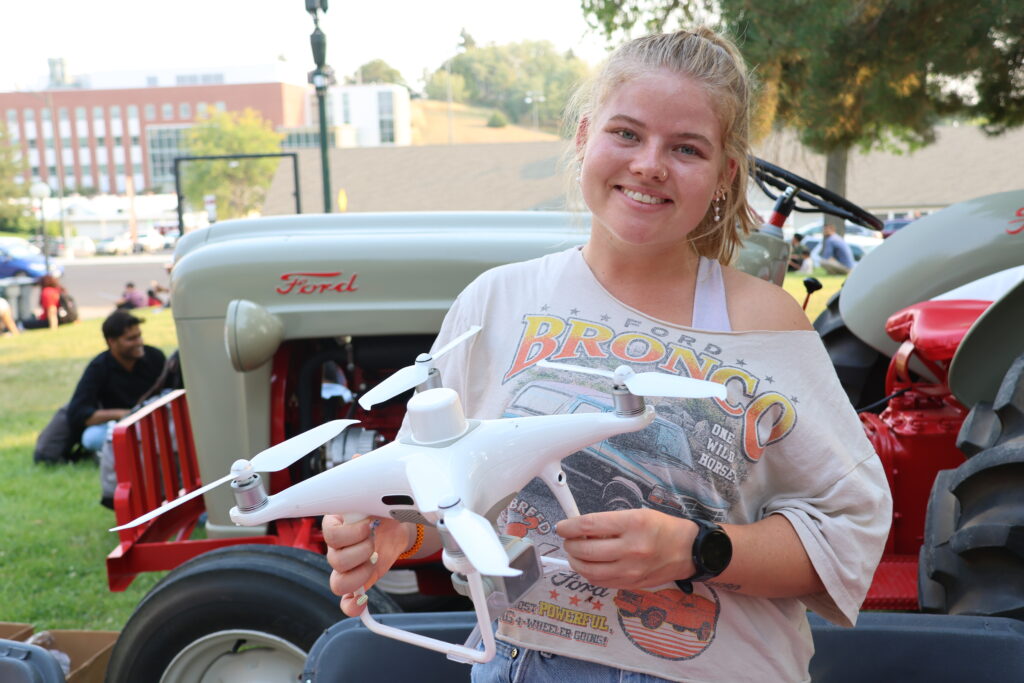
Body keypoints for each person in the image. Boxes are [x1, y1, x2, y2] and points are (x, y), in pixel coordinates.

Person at [324, 28, 890, 683]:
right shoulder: (496, 302)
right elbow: (450, 495)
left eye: (686, 148)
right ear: (584, 135)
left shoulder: (761, 321)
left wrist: (696, 549)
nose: (650, 163)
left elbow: (847, 530)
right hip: (512, 662)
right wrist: (398, 533)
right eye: (626, 134)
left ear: (723, 174)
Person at [66, 310, 166, 459]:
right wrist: (123, 414)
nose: (139, 342)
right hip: (120, 425)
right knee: (91, 438)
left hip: (156, 422)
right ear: (111, 341)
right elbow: (78, 413)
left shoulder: (155, 357)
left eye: (139, 336)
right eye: (131, 339)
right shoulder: (99, 367)